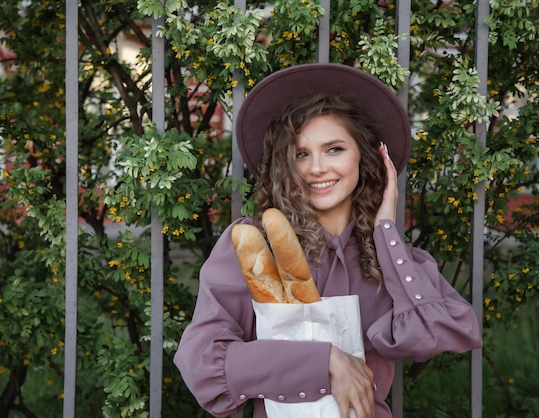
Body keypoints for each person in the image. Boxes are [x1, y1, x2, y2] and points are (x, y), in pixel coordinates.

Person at [173, 63, 482, 418]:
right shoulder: (254, 244)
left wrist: (385, 230)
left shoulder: (392, 257)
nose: (316, 168)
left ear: (365, 158)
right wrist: (326, 362)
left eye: (334, 149)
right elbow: (203, 366)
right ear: (283, 164)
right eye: (301, 154)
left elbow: (444, 331)